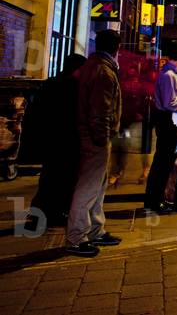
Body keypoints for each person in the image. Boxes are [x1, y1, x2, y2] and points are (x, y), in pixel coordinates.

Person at [65, 30, 123, 257]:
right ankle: (77, 237)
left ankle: (96, 230)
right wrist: (101, 138)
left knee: (98, 187)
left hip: (93, 136)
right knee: (88, 188)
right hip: (95, 138)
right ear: (116, 48)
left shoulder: (94, 65)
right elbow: (100, 111)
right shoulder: (103, 72)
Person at [29, 53, 87, 230]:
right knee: (66, 177)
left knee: (49, 176)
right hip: (67, 138)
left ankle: (40, 212)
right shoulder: (74, 86)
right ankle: (58, 211)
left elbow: (36, 111)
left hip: (51, 138)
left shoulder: (50, 83)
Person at [143, 40, 177, 214]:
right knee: (163, 163)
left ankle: (154, 198)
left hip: (165, 121)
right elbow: (170, 103)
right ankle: (155, 201)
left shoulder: (167, 73)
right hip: (168, 121)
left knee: (162, 161)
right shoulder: (169, 75)